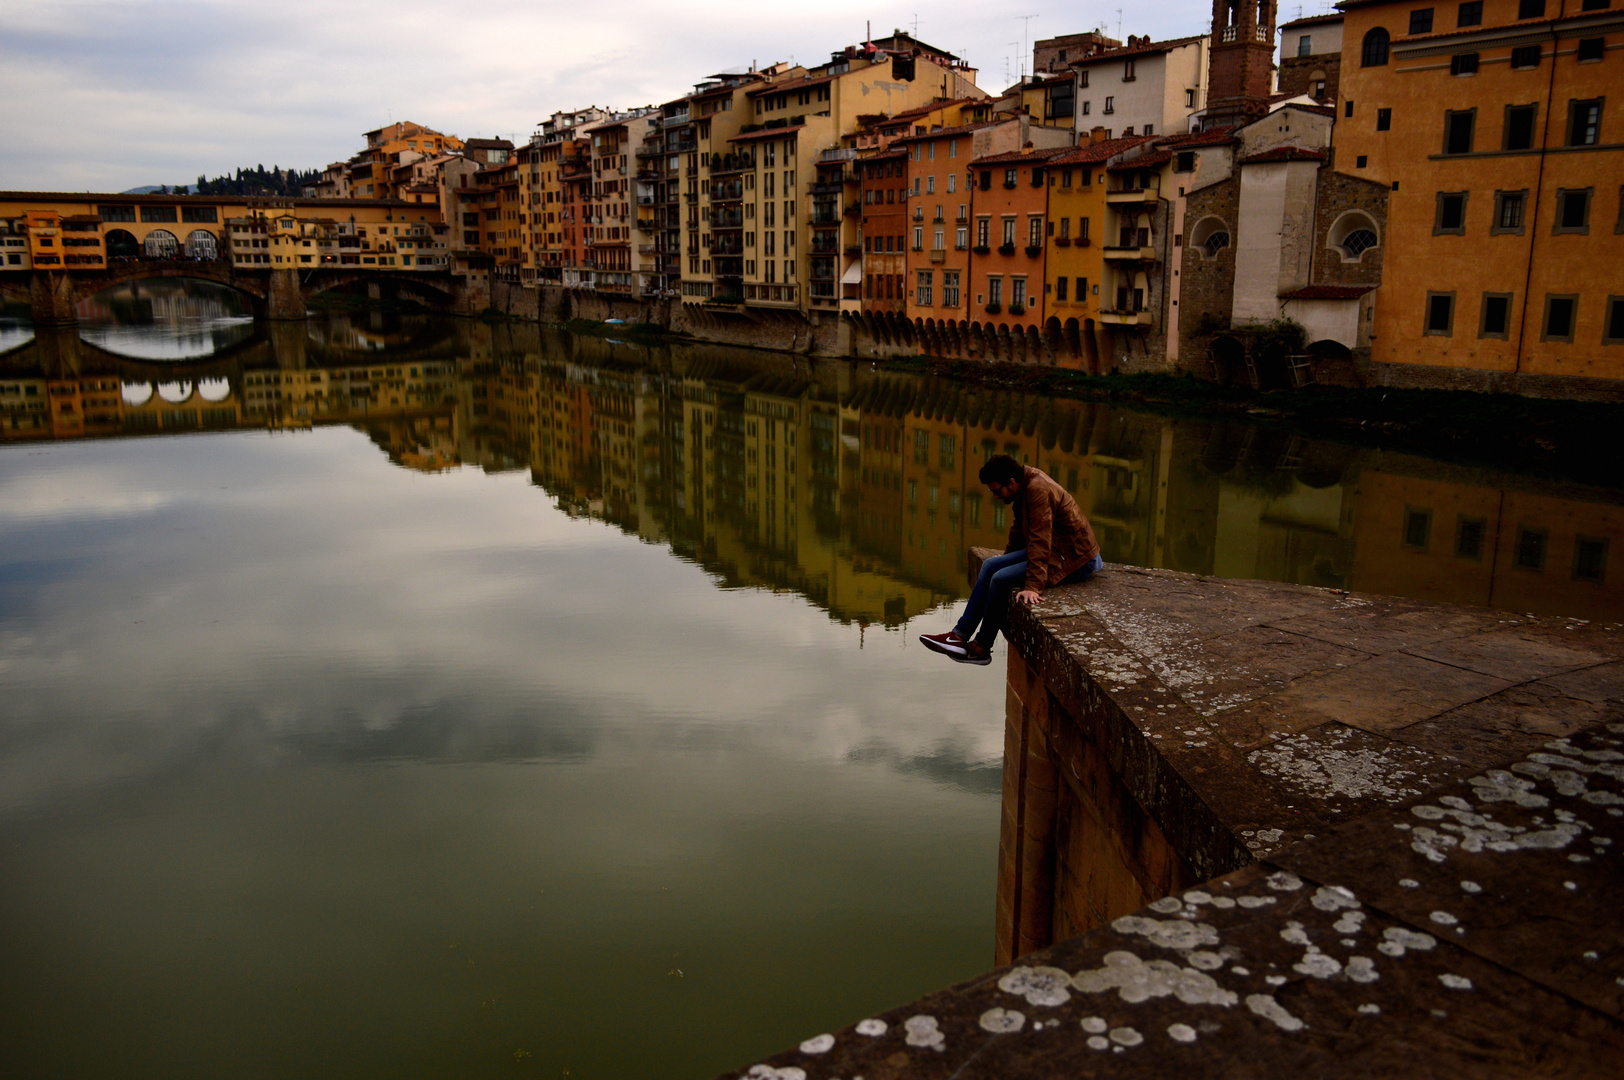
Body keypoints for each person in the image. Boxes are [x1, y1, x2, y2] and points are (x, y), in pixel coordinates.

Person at [920, 454, 1103, 666]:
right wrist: (1008, 559)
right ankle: (958, 636)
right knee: (990, 565)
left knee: (1000, 579)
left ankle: (981, 648)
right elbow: (1019, 531)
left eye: (996, 490)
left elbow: (1040, 539)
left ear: (1012, 483)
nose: (995, 496)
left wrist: (1033, 586)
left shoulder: (1037, 490)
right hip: (1057, 547)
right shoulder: (1024, 485)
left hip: (1076, 558)